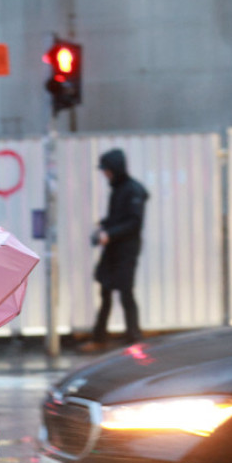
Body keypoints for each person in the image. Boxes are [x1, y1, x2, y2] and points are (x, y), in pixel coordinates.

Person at [81, 148, 149, 353]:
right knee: (106, 291)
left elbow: (134, 223)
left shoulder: (132, 190)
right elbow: (119, 218)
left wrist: (110, 234)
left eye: (107, 170)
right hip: (114, 249)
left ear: (115, 169)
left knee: (126, 293)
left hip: (125, 251)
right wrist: (104, 225)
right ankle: (101, 337)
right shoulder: (119, 189)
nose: (105, 174)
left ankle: (134, 338)